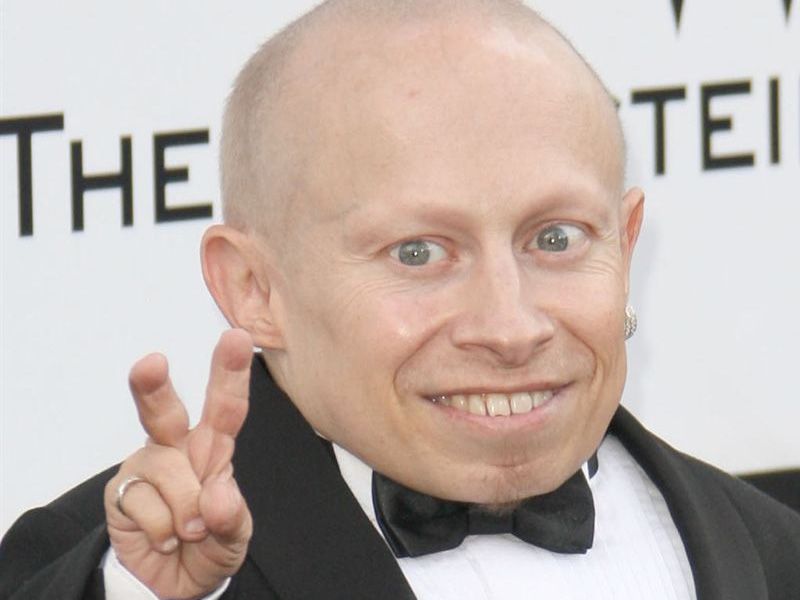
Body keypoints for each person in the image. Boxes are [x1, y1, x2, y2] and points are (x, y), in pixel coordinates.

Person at [2, 1, 799, 598]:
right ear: (253, 288)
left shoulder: (772, 556)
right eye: (418, 253)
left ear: (624, 246)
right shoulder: (103, 574)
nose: (510, 328)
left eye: (556, 239)